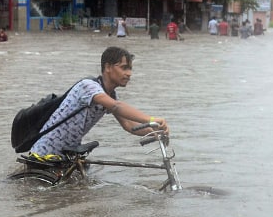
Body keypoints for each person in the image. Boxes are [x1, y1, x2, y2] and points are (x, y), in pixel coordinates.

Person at [29, 46, 169, 159]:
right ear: (108, 67)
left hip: (68, 153)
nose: (129, 73)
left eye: (130, 69)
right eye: (124, 67)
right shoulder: (88, 86)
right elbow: (116, 106)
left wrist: (154, 132)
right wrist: (151, 119)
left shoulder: (110, 94)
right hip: (45, 152)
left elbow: (128, 125)